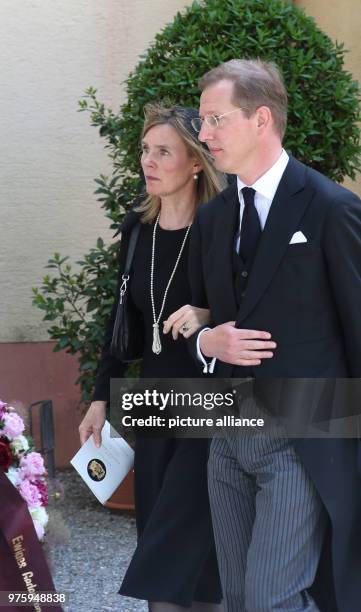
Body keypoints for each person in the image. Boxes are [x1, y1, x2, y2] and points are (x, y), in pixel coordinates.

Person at [178, 59, 361, 612]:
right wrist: (206, 344)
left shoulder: (332, 208)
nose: (203, 134)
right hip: (227, 435)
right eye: (202, 121)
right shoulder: (212, 220)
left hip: (304, 438)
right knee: (237, 598)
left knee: (269, 601)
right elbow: (198, 324)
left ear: (261, 119)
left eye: (214, 120)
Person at [79, 104, 238, 612]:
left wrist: (208, 312)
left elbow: (256, 308)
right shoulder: (137, 229)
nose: (148, 161)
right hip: (154, 410)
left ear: (195, 162)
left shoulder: (223, 227)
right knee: (158, 536)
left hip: (210, 410)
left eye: (163, 151)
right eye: (145, 150)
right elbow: (120, 322)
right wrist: (101, 398)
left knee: (179, 546)